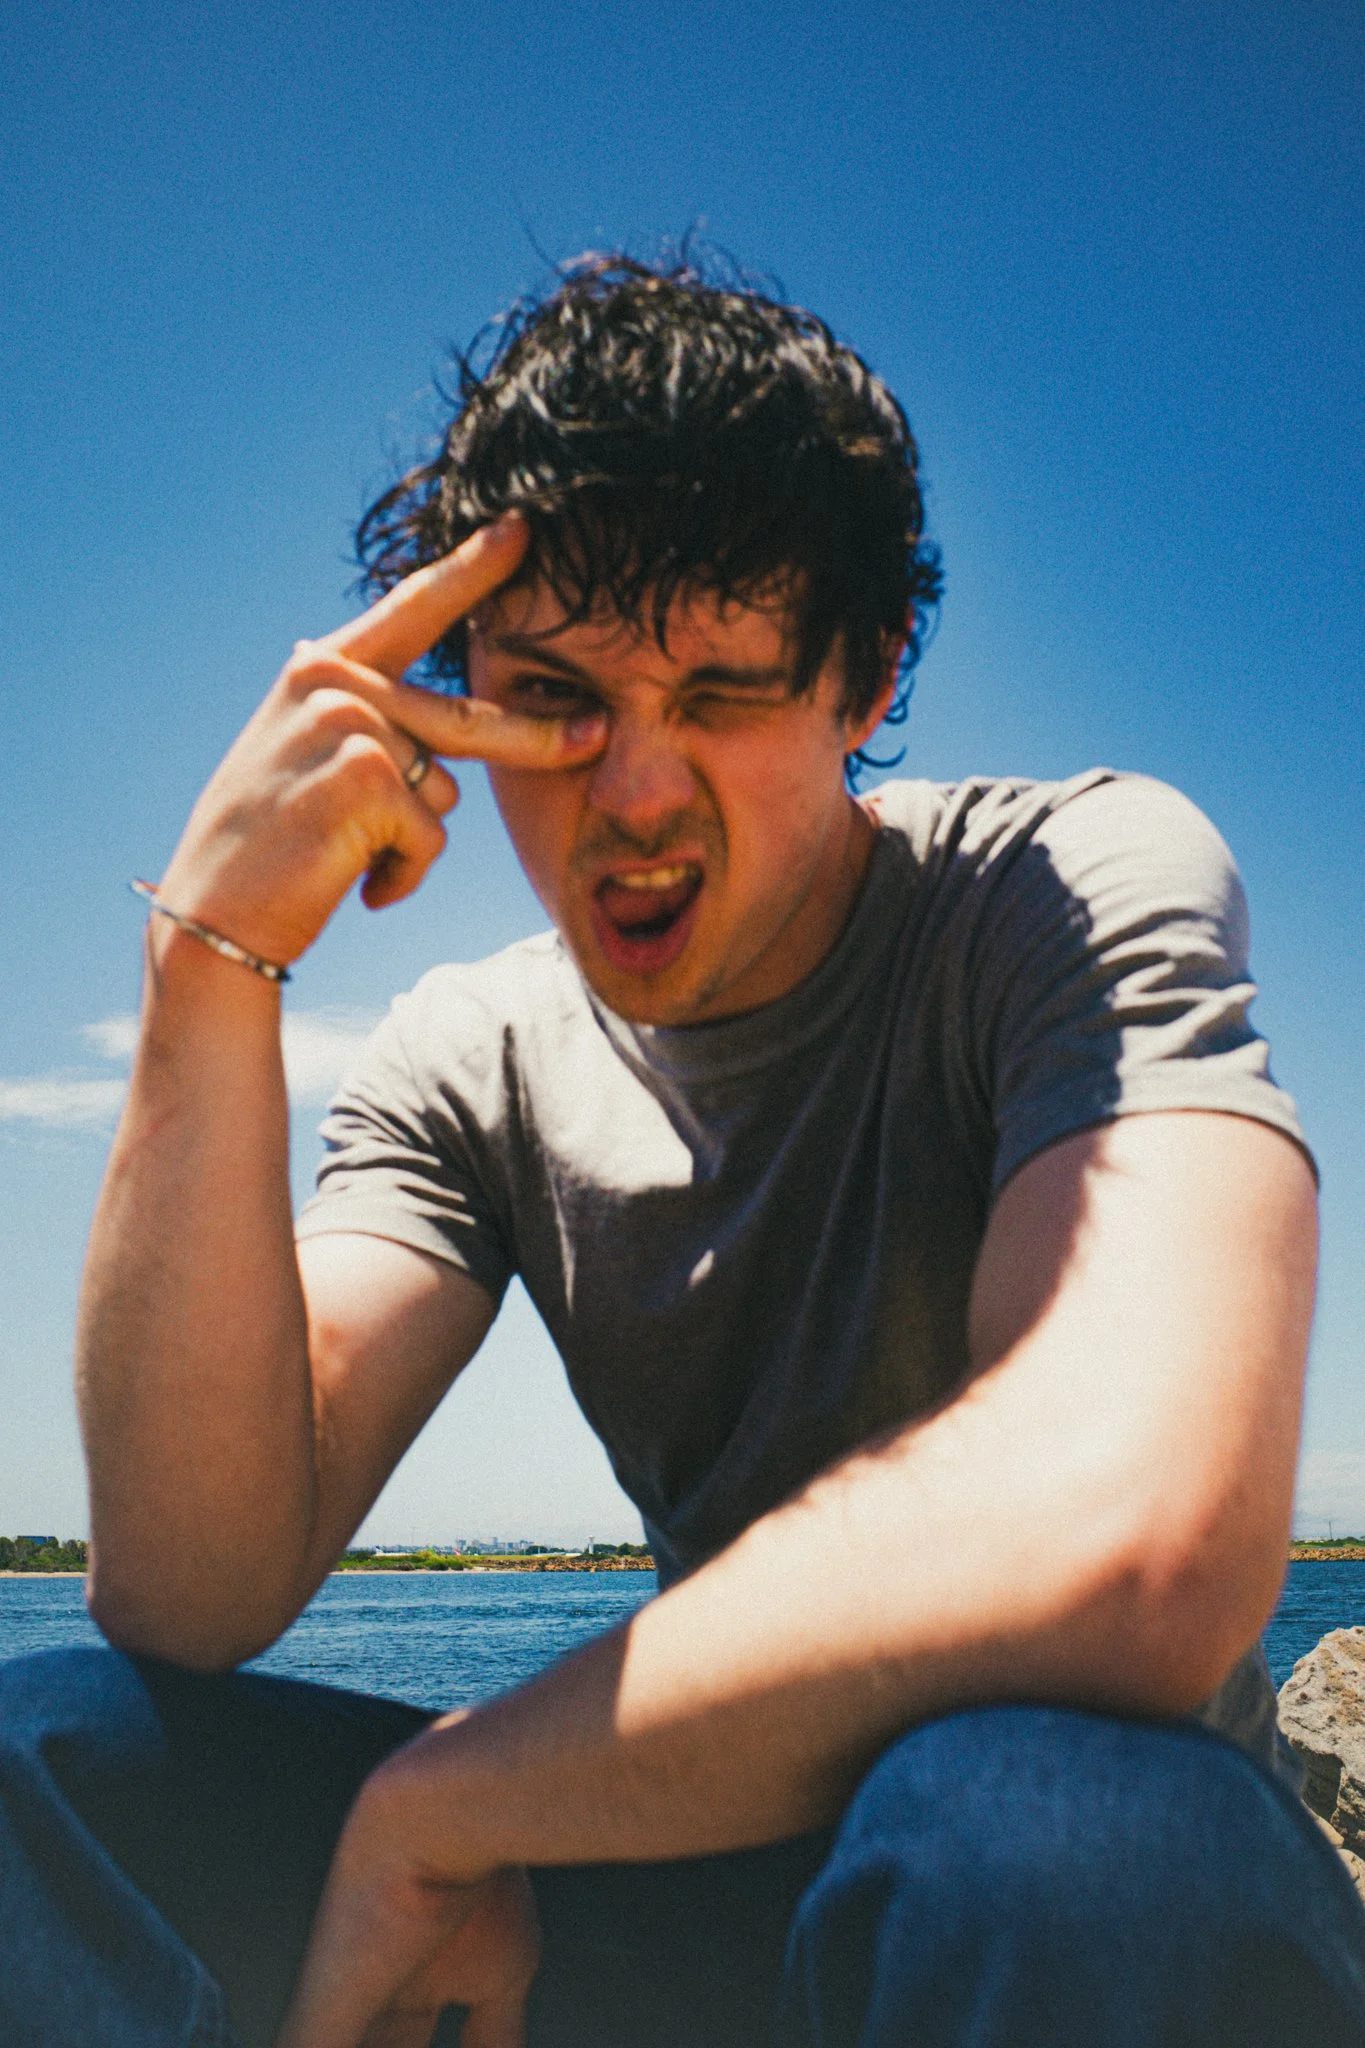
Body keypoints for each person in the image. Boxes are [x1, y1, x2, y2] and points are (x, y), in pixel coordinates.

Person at [2, 253, 1362, 2048]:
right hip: (673, 1860)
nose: (634, 793)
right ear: (451, 692)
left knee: (1060, 1831)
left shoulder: (1065, 889)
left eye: (718, 693)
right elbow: (189, 1581)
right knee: (50, 1757)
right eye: (556, 699)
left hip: (1044, 1893)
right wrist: (206, 964)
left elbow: (1139, 1540)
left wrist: (449, 1804)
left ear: (861, 679)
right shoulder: (468, 1056)